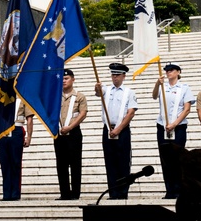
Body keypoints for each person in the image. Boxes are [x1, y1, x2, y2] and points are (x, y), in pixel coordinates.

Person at [94, 62, 139, 200]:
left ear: (124, 76)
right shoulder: (107, 90)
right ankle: (113, 192)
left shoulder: (129, 92)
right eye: (113, 75)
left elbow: (130, 113)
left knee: (123, 162)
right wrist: (97, 88)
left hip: (122, 130)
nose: (115, 78)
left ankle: (123, 192)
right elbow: (98, 93)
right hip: (108, 128)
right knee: (110, 162)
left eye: (118, 75)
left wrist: (119, 129)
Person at [152, 62, 196, 198]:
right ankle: (169, 189)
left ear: (178, 72)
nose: (168, 72)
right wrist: (157, 84)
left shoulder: (184, 88)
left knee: (178, 159)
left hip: (178, 127)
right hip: (163, 126)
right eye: (167, 70)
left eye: (171, 70)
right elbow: (154, 96)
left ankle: (179, 189)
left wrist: (175, 124)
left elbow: (186, 108)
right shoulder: (163, 87)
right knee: (165, 159)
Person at [54, 69, 87, 200]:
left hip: (73, 133)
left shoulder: (79, 96)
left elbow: (83, 113)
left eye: (66, 78)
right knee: (61, 164)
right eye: (62, 78)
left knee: (75, 164)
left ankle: (75, 193)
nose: (64, 81)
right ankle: (64, 193)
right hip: (59, 133)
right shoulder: (55, 96)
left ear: (73, 80)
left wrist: (70, 127)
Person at [0, 98, 33, 201]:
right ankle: (7, 194)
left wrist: (29, 137)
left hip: (17, 129)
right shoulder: (1, 97)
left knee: (15, 163)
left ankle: (15, 193)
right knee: (4, 163)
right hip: (2, 130)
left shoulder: (23, 99)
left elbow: (29, 119)